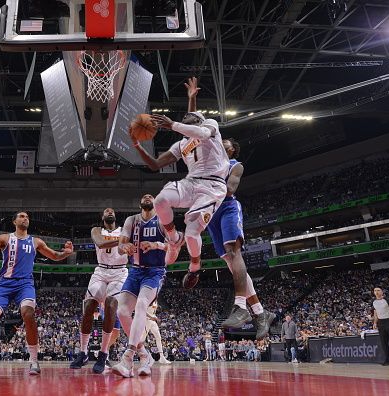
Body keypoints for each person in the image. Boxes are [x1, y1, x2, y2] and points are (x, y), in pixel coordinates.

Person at [183, 129, 275, 337]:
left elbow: (230, 189)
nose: (219, 145)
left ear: (232, 150)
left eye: (223, 143)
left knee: (234, 254)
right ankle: (261, 313)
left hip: (227, 208)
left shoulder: (235, 165)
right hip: (211, 213)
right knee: (231, 264)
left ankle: (241, 307)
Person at [135, 77, 229, 277]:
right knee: (160, 201)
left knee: (193, 233)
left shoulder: (210, 125)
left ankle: (195, 265)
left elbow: (199, 130)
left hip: (213, 186)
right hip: (191, 182)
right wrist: (136, 145)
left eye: (190, 119)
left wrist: (173, 124)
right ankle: (173, 238)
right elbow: (154, 164)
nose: (186, 120)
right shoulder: (181, 145)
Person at [0, 212, 74, 375]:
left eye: (27, 216)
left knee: (28, 314)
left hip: (25, 284)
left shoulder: (36, 241)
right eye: (21, 216)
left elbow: (55, 256)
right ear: (14, 221)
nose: (25, 218)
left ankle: (33, 359)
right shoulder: (4, 238)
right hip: (5, 284)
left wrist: (66, 253)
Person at [112, 194, 168, 378]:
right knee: (121, 312)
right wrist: (125, 247)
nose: (147, 197)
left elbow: (173, 245)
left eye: (150, 195)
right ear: (140, 203)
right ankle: (144, 355)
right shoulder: (132, 220)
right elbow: (121, 245)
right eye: (144, 196)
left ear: (155, 202)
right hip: (135, 271)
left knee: (142, 304)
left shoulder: (161, 221)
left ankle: (128, 357)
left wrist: (155, 244)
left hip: (155, 272)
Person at [70, 208, 128, 373]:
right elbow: (100, 243)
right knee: (88, 307)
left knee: (110, 306)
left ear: (116, 215)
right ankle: (83, 352)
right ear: (102, 217)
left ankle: (103, 354)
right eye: (106, 211)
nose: (109, 211)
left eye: (112, 210)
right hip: (101, 271)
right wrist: (123, 241)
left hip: (120, 272)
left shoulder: (124, 230)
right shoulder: (97, 230)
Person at [141, 300, 171, 364]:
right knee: (142, 340)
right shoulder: (148, 299)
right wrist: (151, 317)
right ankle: (134, 355)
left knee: (158, 337)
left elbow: (152, 312)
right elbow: (143, 311)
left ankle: (162, 357)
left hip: (152, 322)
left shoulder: (155, 301)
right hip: (146, 321)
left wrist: (155, 317)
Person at [371, 287, 389, 366]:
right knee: (384, 343)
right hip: (381, 323)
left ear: (382, 292)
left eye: (378, 290)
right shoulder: (373, 302)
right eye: (375, 291)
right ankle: (388, 360)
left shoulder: (387, 300)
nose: (376, 292)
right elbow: (375, 313)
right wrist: (374, 323)